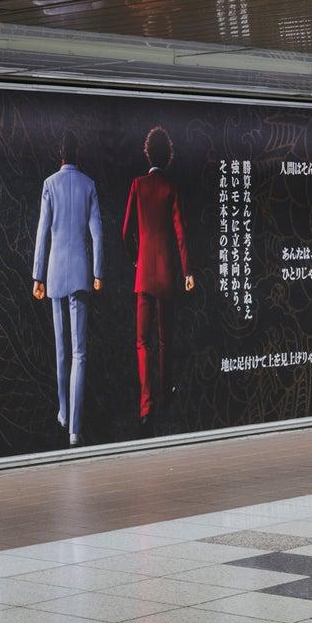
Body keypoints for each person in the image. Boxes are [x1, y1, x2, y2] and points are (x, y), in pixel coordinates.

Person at [33, 133, 104, 446]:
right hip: (80, 272)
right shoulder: (89, 185)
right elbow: (97, 233)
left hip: (54, 273)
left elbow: (42, 232)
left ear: (59, 155)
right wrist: (98, 272)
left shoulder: (49, 184)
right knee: (79, 353)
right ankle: (75, 427)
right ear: (78, 155)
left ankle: (63, 411)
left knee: (61, 350)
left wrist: (37, 276)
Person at [122, 126, 194, 435]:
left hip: (143, 276)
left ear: (148, 153)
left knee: (142, 342)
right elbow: (181, 233)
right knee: (166, 339)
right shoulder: (171, 189)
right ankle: (165, 397)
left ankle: (146, 406)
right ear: (168, 156)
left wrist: (136, 258)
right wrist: (188, 271)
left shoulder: (137, 186)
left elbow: (126, 231)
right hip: (166, 274)